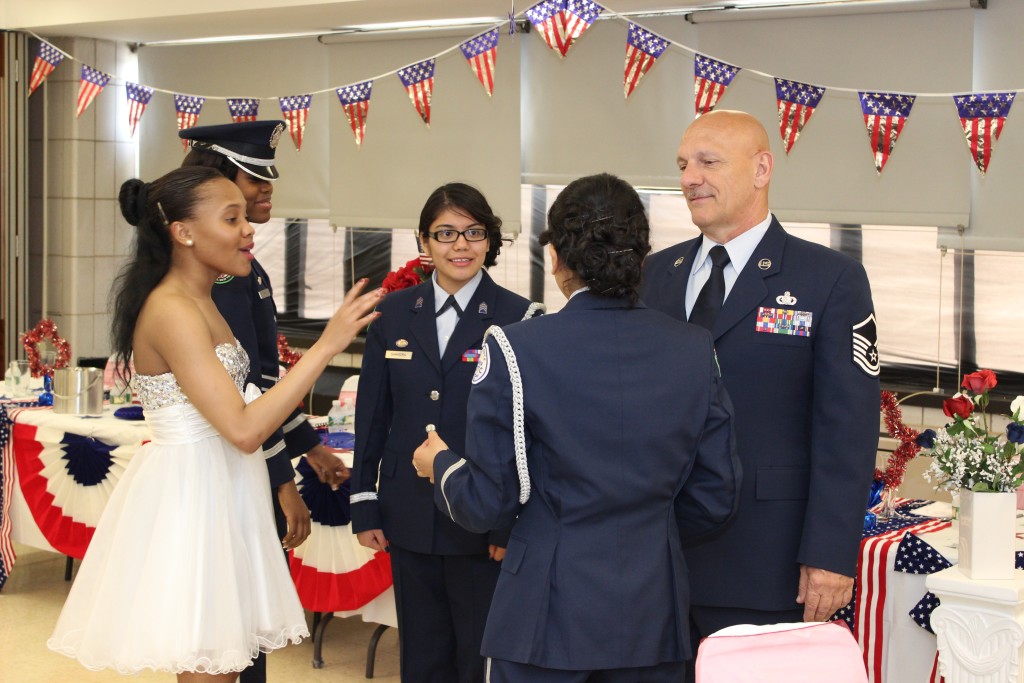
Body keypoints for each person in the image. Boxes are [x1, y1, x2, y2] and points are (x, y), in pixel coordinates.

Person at [47, 166, 382, 680]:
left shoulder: (204, 300)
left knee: (222, 665)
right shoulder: (173, 310)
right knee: (209, 665)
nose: (249, 230)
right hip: (194, 496)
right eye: (232, 218)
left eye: (245, 217)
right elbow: (244, 428)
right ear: (182, 232)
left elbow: (246, 404)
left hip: (225, 485)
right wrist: (326, 346)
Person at [412, 173, 742, 683]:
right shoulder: (695, 349)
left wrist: (441, 464)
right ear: (640, 255)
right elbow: (715, 495)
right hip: (653, 609)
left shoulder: (515, 347)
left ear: (558, 258)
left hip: (544, 611)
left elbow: (487, 503)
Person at [639, 110, 880, 651]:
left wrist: (829, 554)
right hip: (652, 559)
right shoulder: (654, 275)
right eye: (682, 164)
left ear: (762, 168)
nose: (689, 178)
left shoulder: (828, 279)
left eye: (708, 162)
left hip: (766, 560)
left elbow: (848, 428)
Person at [350, 183, 542, 683]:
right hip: (406, 510)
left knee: (478, 655)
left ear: (489, 240)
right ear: (424, 241)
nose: (461, 245)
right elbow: (373, 414)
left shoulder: (518, 318)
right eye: (446, 233)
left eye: (474, 232)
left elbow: (526, 431)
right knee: (420, 652)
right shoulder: (393, 312)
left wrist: (508, 523)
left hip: (483, 517)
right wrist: (364, 504)